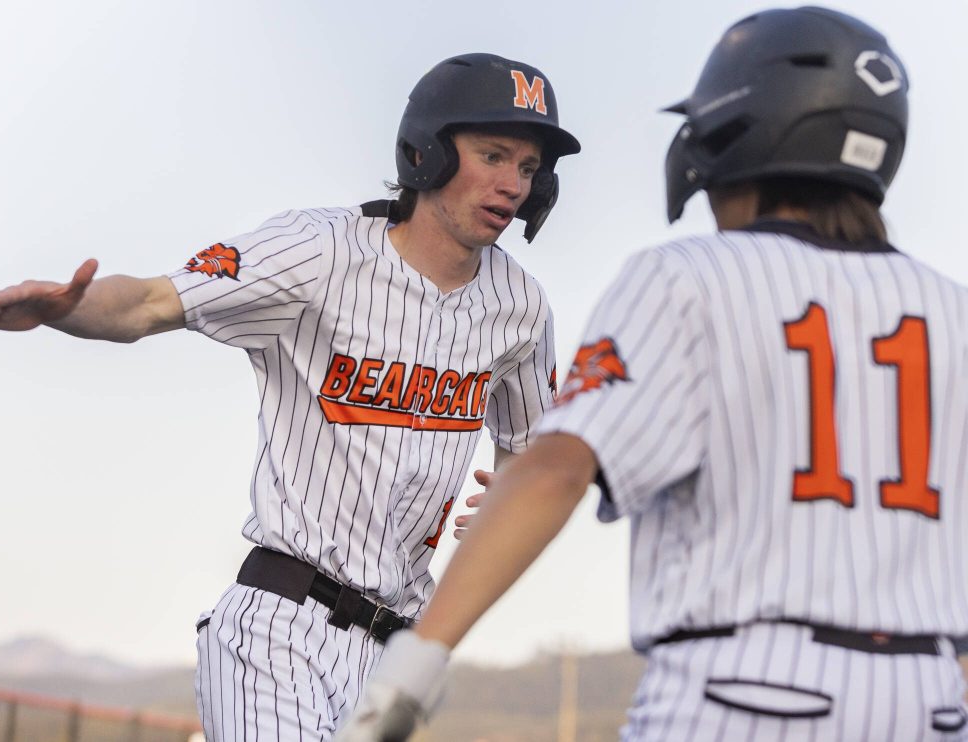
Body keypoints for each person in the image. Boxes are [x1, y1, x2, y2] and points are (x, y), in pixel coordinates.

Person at [338, 8, 968, 742]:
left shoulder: (687, 276)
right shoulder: (953, 311)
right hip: (929, 701)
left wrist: (416, 662)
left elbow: (553, 472)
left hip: (741, 693)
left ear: (735, 135)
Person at [0, 52, 580, 740]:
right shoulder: (317, 250)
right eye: (493, 155)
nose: (512, 184)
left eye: (527, 168)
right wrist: (62, 310)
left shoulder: (521, 307)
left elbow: (533, 458)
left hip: (394, 656)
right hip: (281, 627)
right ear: (425, 152)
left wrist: (510, 495)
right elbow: (148, 301)